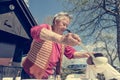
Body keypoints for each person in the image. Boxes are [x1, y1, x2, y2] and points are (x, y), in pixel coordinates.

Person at [21, 12, 91, 79]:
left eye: (67, 26)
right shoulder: (46, 28)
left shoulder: (63, 40)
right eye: (63, 24)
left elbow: (71, 53)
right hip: (30, 73)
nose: (65, 27)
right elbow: (35, 31)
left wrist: (86, 54)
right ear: (55, 21)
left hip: (47, 76)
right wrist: (61, 39)